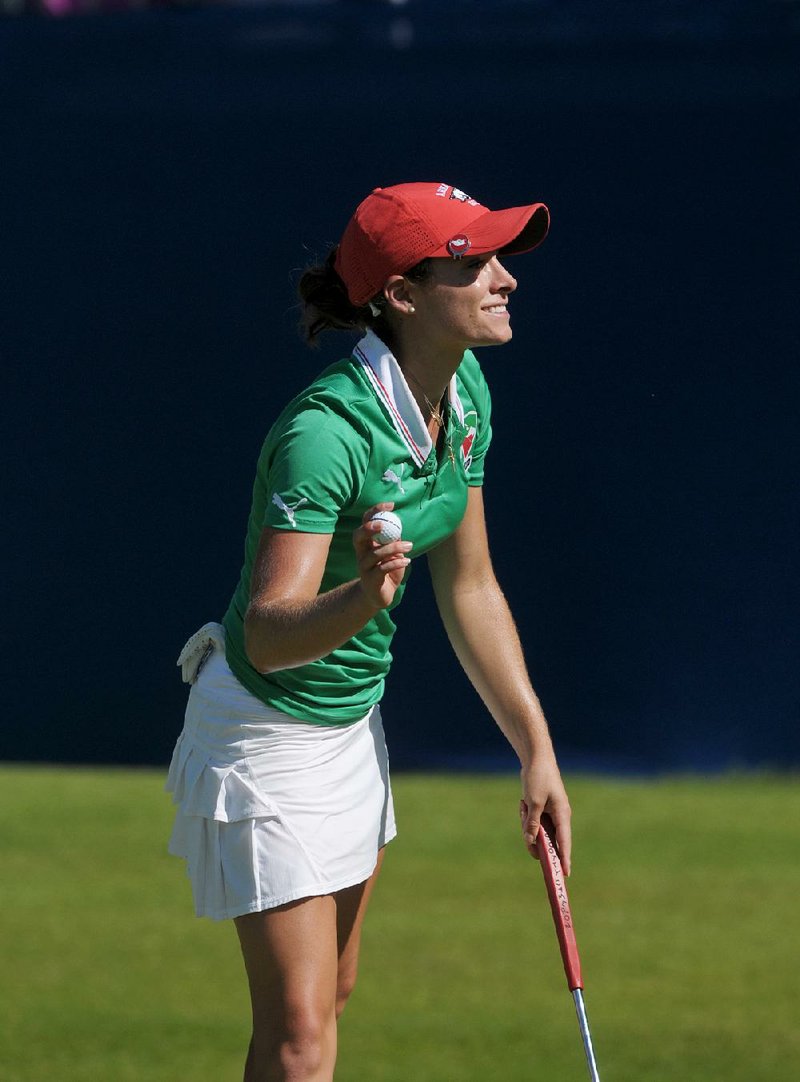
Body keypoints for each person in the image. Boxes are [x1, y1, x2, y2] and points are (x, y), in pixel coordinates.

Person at [166, 180, 572, 1082]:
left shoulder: (463, 395)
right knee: (302, 1039)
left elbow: (471, 587)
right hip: (261, 732)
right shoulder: (325, 433)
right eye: (474, 263)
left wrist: (534, 749)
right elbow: (269, 634)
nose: (505, 279)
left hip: (351, 726)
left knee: (328, 999)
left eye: (499, 258)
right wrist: (363, 601)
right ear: (400, 294)